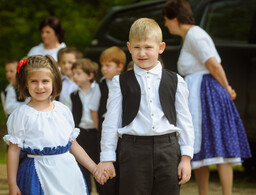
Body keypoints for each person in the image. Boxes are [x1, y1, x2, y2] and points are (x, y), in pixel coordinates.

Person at [94, 18, 194, 195]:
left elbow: (185, 120)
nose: (142, 53)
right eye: (137, 47)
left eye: (148, 47)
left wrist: (186, 158)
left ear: (160, 48)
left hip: (168, 149)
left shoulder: (176, 80)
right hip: (133, 151)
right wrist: (107, 158)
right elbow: (111, 121)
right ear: (129, 47)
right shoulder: (120, 82)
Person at [162, 1, 252, 195]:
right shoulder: (189, 37)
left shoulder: (196, 35)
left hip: (207, 94)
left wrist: (227, 88)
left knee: (219, 144)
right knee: (201, 146)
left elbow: (213, 64)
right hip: (197, 93)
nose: (165, 25)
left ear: (175, 18)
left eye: (166, 20)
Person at [3, 55, 110, 195]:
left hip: (67, 172)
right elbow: (14, 151)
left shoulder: (62, 110)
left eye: (45, 81)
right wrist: (12, 184)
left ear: (54, 82)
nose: (40, 86)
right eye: (34, 81)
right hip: (37, 174)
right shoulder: (22, 115)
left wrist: (94, 169)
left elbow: (74, 145)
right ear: (25, 84)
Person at [90, 46, 126, 195]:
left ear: (120, 67)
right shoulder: (99, 86)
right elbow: (93, 109)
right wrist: (101, 129)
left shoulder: (126, 83)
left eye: (108, 65)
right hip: (106, 131)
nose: (104, 69)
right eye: (102, 65)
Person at [64, 58, 101, 194]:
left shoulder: (99, 90)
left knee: (100, 167)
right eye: (73, 74)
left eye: (78, 73)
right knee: (82, 170)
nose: (75, 77)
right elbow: (68, 117)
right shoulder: (71, 96)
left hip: (97, 134)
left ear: (90, 75)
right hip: (81, 135)